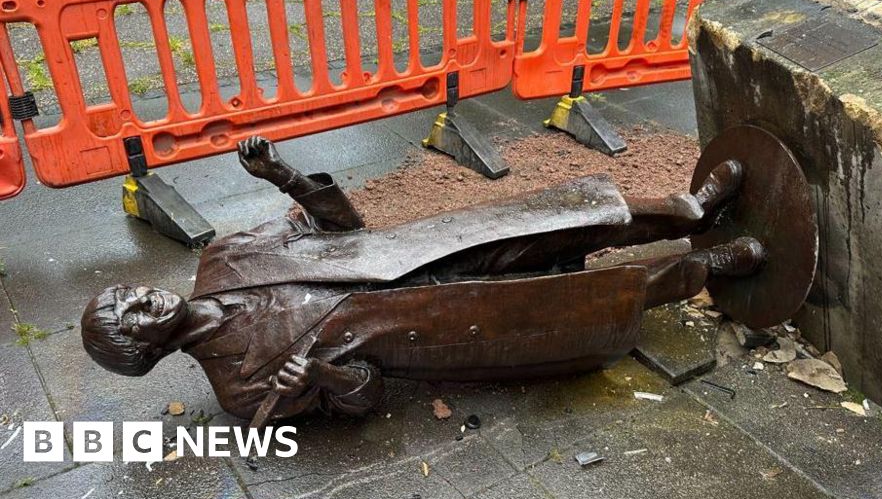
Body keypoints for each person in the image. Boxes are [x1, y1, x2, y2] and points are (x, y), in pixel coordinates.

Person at [81, 137, 761, 422]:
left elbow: (343, 226)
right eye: (130, 317)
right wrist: (322, 380)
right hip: (433, 327)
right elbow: (366, 398)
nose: (140, 298)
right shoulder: (241, 387)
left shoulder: (224, 258)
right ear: (144, 353)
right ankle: (711, 266)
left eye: (127, 293)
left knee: (564, 223)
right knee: (585, 301)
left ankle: (693, 208)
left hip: (426, 250)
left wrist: (284, 175)